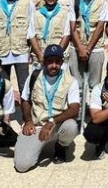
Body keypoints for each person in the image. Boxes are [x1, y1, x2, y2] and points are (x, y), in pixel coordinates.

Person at [15, 44, 81, 173]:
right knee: (22, 165)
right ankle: (36, 145)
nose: (54, 65)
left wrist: (52, 122)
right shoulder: (34, 76)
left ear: (62, 62)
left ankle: (61, 146)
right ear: (44, 62)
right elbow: (25, 99)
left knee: (72, 126)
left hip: (57, 126)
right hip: (37, 127)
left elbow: (74, 109)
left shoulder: (70, 81)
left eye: (57, 61)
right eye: (50, 61)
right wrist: (28, 121)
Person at [68, 0, 108, 98]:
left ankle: (93, 107)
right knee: (76, 84)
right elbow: (72, 27)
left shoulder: (102, 3)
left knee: (94, 84)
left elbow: (100, 27)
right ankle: (78, 106)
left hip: (95, 47)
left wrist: (88, 49)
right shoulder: (74, 2)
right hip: (76, 47)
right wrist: (81, 48)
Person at [28, 0, 71, 68]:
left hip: (58, 60)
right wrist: (40, 55)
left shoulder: (65, 14)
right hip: (39, 59)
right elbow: (31, 35)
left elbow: (66, 35)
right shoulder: (35, 15)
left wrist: (56, 55)